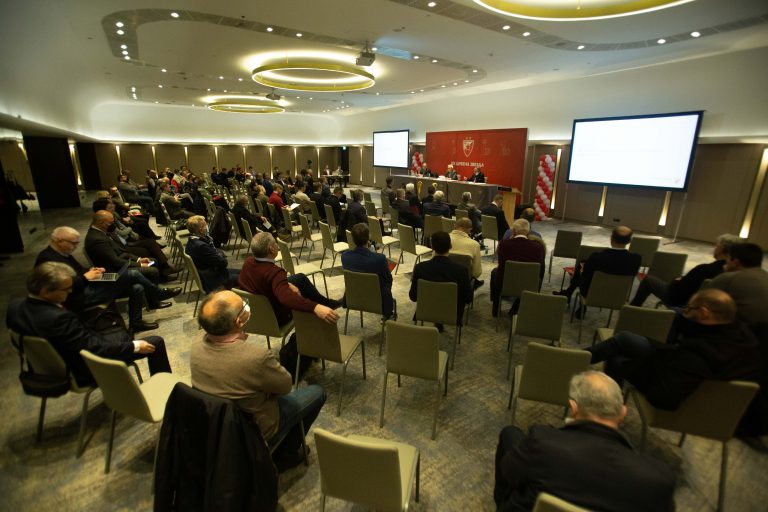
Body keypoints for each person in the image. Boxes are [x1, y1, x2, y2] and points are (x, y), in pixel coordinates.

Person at [494, 371, 675, 512]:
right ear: (623, 413)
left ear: (573, 408)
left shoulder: (542, 442)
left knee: (510, 434)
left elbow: (509, 471)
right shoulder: (658, 479)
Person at [190, 290, 326, 470]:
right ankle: (285, 454)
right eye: (243, 306)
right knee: (317, 392)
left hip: (216, 423)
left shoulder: (196, 344)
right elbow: (285, 385)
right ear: (238, 322)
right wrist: (264, 390)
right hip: (254, 429)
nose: (246, 306)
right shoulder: (255, 357)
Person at [588, 289, 763, 410]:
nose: (685, 313)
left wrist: (634, 369)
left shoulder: (698, 355)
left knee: (617, 358)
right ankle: (581, 359)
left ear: (704, 313)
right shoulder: (742, 335)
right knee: (624, 339)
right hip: (677, 360)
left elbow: (665, 399)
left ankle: (604, 399)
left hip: (674, 380)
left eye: (689, 309)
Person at [7, 262, 172, 387]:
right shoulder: (60, 319)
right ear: (46, 291)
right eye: (66, 289)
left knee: (115, 329)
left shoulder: (15, 307)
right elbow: (96, 349)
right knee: (154, 342)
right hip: (82, 370)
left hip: (46, 368)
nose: (70, 291)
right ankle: (169, 391)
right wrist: (134, 346)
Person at [35, 226, 169, 333]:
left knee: (137, 288)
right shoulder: (47, 259)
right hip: (78, 296)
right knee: (133, 274)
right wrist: (85, 277)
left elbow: (78, 271)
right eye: (73, 243)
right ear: (59, 241)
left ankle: (136, 324)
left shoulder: (64, 253)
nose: (75, 246)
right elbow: (58, 286)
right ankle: (157, 293)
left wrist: (93, 271)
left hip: (88, 285)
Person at [238, 232, 341, 327]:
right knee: (303, 302)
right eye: (275, 243)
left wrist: (287, 284)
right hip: (276, 317)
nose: (277, 245)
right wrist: (315, 307)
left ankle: (326, 303)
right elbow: (286, 298)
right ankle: (320, 310)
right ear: (271, 249)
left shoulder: (248, 262)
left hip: (256, 313)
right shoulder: (274, 273)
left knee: (300, 278)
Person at [630, 233, 741, 308]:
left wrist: (676, 281)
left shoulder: (703, 269)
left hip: (682, 301)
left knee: (648, 280)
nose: (714, 248)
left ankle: (632, 309)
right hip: (709, 307)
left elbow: (679, 290)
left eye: (716, 246)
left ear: (721, 249)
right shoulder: (736, 274)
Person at [92, 198, 179, 281]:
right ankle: (161, 275)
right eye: (110, 223)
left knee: (150, 245)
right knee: (148, 253)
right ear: (102, 223)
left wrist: (138, 259)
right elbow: (115, 260)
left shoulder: (103, 229)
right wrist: (139, 263)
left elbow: (119, 246)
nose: (113, 207)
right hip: (116, 270)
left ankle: (164, 270)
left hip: (124, 248)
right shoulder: (98, 239)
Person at [554, 226, 641, 304]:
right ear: (629, 241)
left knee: (582, 265)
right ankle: (568, 292)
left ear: (611, 238)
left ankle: (569, 293)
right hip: (618, 295)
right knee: (584, 265)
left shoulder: (597, 257)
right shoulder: (636, 259)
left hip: (591, 293)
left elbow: (585, 276)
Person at [409, 231, 473, 330]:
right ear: (450, 246)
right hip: (453, 313)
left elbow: (413, 296)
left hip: (426, 310)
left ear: (432, 247)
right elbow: (468, 298)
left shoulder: (420, 268)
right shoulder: (461, 270)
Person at [491, 219, 545, 316]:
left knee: (495, 272)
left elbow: (501, 265)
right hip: (529, 285)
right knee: (538, 279)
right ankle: (516, 308)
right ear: (528, 231)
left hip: (505, 283)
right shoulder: (538, 248)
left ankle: (496, 307)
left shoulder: (503, 244)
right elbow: (540, 270)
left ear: (513, 231)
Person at [341, 223, 395, 320]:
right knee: (386, 281)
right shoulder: (380, 259)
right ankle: (387, 313)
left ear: (353, 239)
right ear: (368, 237)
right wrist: (372, 252)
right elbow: (388, 279)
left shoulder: (345, 257)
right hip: (376, 300)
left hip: (354, 298)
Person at [707, 242, 768, 326]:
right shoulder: (765, 275)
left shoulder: (728, 278)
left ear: (735, 262)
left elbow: (702, 304)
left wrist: (725, 274)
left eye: (728, 259)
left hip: (741, 329)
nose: (726, 263)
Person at [185, 216, 240, 292]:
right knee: (248, 277)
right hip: (215, 280)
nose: (207, 227)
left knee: (243, 271)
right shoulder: (202, 246)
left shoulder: (191, 241)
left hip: (209, 274)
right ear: (200, 230)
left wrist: (217, 253)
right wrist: (219, 253)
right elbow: (223, 263)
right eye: (205, 225)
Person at [449, 218, 483, 286]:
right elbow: (477, 273)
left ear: (454, 225)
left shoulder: (442, 239)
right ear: (470, 230)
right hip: (464, 283)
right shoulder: (475, 245)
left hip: (443, 278)